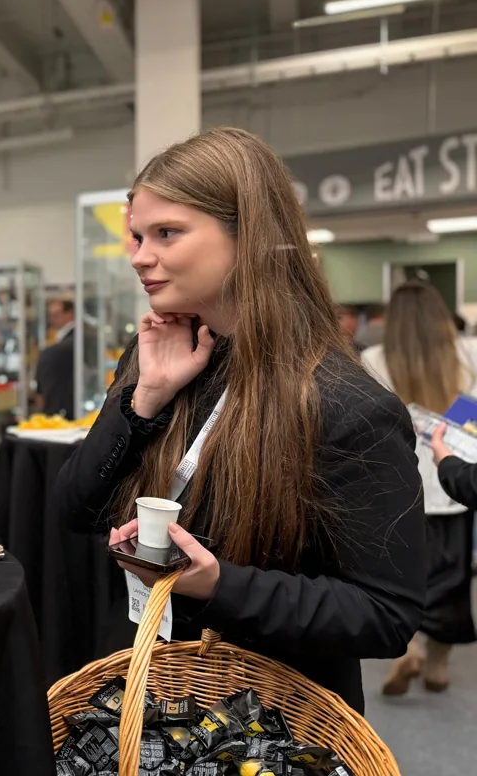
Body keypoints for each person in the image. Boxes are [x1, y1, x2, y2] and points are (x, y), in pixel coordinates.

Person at [54, 127, 423, 714]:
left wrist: (215, 583)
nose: (140, 257)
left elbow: (385, 614)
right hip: (152, 693)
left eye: (167, 233)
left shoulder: (347, 406)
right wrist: (143, 399)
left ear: (247, 234)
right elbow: (73, 509)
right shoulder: (157, 357)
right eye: (137, 236)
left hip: (266, 723)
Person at [361, 280, 477, 695]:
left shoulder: (374, 358)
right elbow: (474, 413)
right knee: (452, 583)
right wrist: (446, 421)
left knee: (402, 577)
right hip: (453, 485)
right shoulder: (468, 354)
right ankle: (439, 666)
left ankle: (407, 649)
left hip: (400, 487)